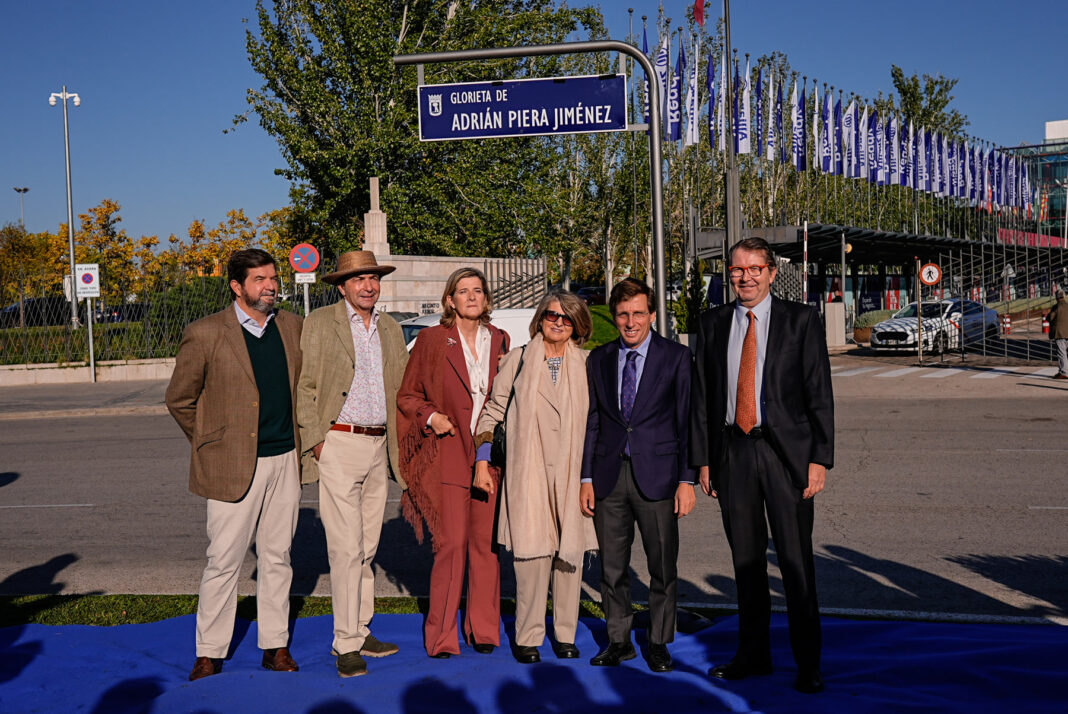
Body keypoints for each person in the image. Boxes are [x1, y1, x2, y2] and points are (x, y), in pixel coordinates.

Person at [690, 237, 834, 695]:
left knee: (795, 563)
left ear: (772, 272)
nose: (745, 277)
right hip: (733, 453)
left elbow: (819, 394)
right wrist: (706, 460)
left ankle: (808, 663)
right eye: (737, 269)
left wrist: (818, 458)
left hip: (785, 456)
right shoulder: (712, 324)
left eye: (754, 268)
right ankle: (753, 655)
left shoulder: (801, 320)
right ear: (728, 273)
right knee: (746, 563)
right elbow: (704, 400)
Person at [165, 248, 303, 681]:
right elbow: (180, 399)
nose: (271, 286)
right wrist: (211, 444)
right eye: (260, 279)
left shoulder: (293, 327)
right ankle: (209, 651)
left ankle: (275, 645)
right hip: (230, 467)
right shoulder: (205, 333)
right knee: (223, 560)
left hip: (285, 460)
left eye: (273, 278)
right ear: (236, 286)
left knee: (278, 557)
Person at [296, 250, 408, 678]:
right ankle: (345, 643)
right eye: (358, 279)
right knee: (344, 549)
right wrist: (318, 443)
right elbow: (305, 386)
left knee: (367, 547)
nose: (367, 285)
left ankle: (360, 630)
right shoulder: (320, 323)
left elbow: (401, 386)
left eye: (373, 278)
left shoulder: (391, 328)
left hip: (379, 445)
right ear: (341, 286)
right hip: (339, 442)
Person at [472, 290, 598, 664]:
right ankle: (528, 636)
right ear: (539, 318)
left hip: (574, 472)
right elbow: (493, 411)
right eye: (551, 315)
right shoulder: (517, 360)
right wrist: (482, 460)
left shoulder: (590, 364)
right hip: (528, 470)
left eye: (566, 317)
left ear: (578, 324)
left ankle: (565, 634)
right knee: (531, 558)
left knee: (568, 557)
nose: (558, 322)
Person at [580, 277, 695, 673]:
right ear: (614, 317)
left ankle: (659, 642)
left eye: (638, 313)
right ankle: (619, 641)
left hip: (660, 478)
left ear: (652, 314)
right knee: (612, 568)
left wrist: (686, 480)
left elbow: (686, 422)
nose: (631, 322)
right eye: (623, 314)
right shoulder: (598, 359)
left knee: (662, 565)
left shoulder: (676, 357)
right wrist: (585, 478)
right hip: (609, 476)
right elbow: (592, 422)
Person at [397, 267, 510, 658]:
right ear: (450, 300)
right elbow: (408, 395)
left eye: (478, 290)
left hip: (488, 457)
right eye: (464, 291)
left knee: (485, 546)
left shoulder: (500, 339)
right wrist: (431, 416)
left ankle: (483, 630)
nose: (472, 297)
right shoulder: (431, 340)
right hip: (446, 451)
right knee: (451, 545)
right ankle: (442, 636)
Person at [1046, 289, 1068, 379]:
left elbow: (1050, 318)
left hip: (1059, 333)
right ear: (1064, 296)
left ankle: (1064, 372)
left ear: (1056, 297)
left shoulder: (1056, 307)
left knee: (1061, 353)